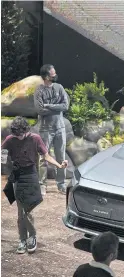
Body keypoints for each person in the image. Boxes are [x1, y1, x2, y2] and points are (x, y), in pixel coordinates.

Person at [1, 117, 68, 254]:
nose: (19, 137)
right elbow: (2, 153)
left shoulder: (35, 138)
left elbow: (46, 156)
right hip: (18, 175)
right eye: (16, 135)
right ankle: (22, 239)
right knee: (21, 212)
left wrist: (59, 165)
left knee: (29, 210)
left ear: (26, 130)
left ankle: (32, 237)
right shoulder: (10, 139)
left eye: (21, 134)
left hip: (31, 174)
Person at [34, 64, 69, 195]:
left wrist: (49, 105)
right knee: (44, 157)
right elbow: (39, 110)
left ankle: (61, 184)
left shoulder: (59, 87)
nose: (55, 76)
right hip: (45, 129)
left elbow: (65, 106)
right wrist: (56, 106)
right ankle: (42, 185)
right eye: (53, 75)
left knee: (61, 157)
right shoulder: (39, 91)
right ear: (46, 76)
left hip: (60, 127)